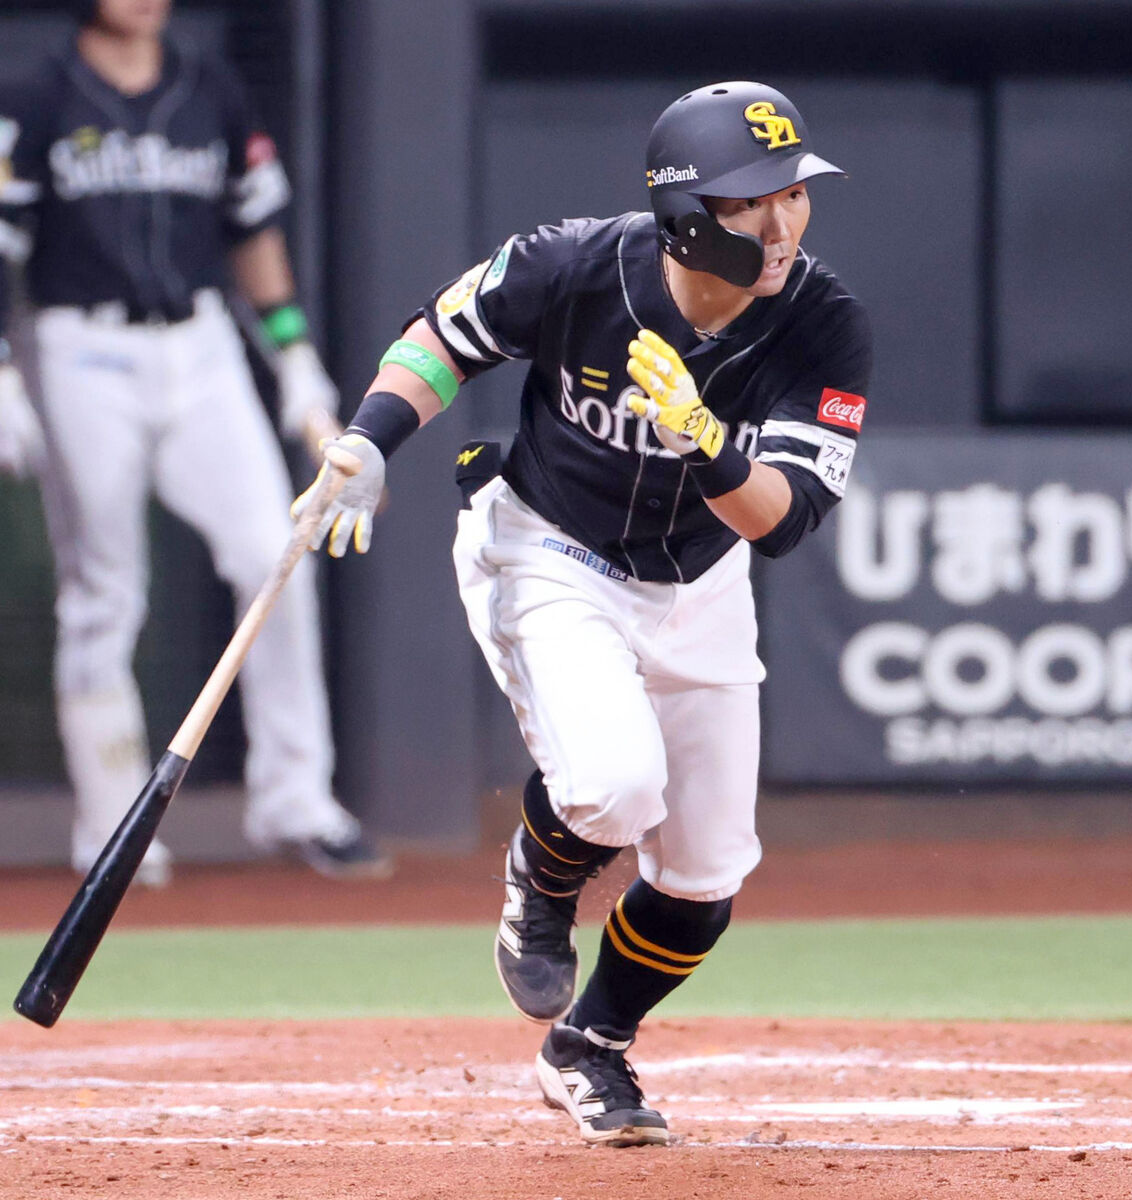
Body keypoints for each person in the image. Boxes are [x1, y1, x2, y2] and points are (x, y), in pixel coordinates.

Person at [295, 80, 872, 1145]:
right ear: (686, 214)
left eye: (793, 192)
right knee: (612, 786)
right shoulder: (572, 263)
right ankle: (542, 874)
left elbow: (784, 520)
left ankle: (588, 1047)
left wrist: (706, 440)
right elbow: (444, 336)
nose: (782, 223)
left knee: (704, 874)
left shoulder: (820, 323)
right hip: (552, 548)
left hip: (700, 579)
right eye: (750, 202)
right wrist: (370, 438)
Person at [0, 0, 391, 885]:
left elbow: (252, 230)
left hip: (200, 344)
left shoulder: (208, 88)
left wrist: (294, 358)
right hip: (77, 346)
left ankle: (297, 800)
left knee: (276, 551)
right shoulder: (36, 95)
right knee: (104, 591)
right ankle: (113, 829)